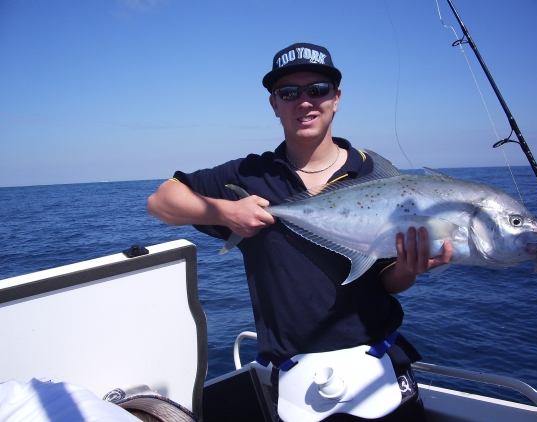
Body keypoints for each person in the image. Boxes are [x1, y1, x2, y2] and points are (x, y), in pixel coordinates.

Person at [147, 42, 452, 421]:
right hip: (296, 381)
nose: (304, 101)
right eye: (289, 93)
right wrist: (227, 212)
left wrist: (408, 269)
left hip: (382, 365)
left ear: (336, 98)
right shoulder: (249, 175)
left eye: (318, 90)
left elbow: (387, 283)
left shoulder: (377, 176)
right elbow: (160, 201)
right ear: (274, 104)